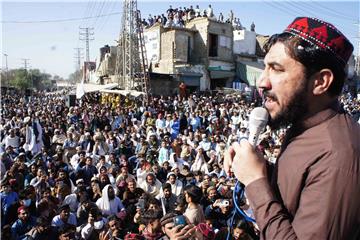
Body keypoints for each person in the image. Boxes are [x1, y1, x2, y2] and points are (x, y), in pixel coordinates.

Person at [224, 17, 360, 239]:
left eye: (277, 69)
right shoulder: (305, 125)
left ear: (320, 82)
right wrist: (258, 168)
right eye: (265, 67)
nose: (262, 82)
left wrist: (256, 183)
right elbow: (298, 191)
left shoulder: (339, 157)